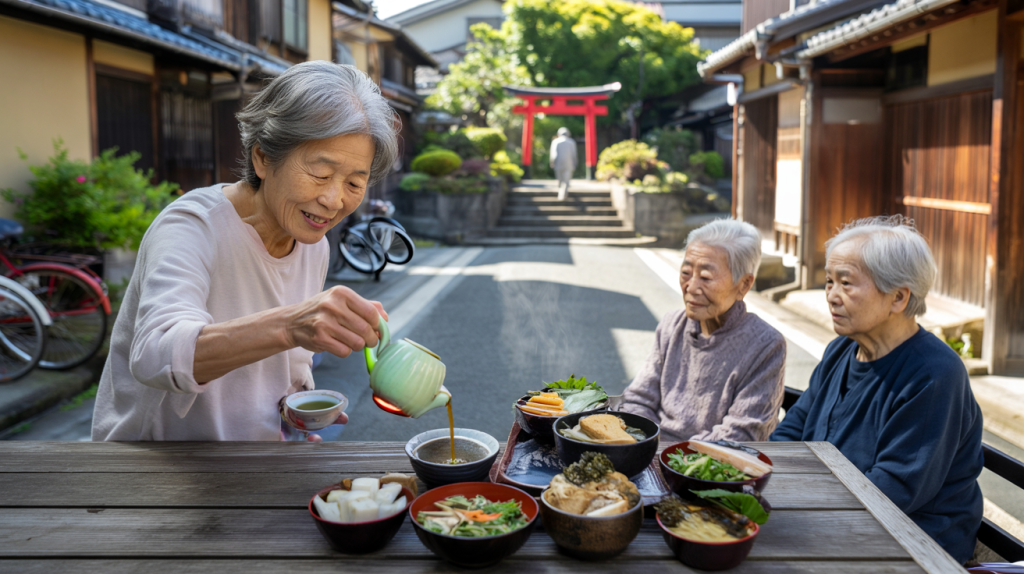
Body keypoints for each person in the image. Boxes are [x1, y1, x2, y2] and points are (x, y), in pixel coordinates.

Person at [92, 62, 400, 441]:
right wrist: (291, 325)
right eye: (320, 174)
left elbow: (278, 369)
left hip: (253, 467)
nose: (333, 199)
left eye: (355, 182)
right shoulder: (193, 225)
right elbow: (155, 354)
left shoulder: (312, 243)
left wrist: (293, 415)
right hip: (159, 473)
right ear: (263, 158)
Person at [771, 215, 983, 564]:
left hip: (911, 540)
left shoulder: (933, 375)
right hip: (836, 515)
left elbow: (892, 491)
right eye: (828, 282)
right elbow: (795, 427)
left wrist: (795, 509)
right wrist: (764, 478)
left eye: (846, 283)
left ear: (898, 298)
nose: (831, 296)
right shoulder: (841, 348)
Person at [619, 219, 786, 443]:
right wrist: (644, 444)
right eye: (686, 272)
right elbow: (638, 400)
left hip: (712, 469)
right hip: (653, 452)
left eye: (706, 278)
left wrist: (671, 457)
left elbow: (741, 433)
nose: (691, 287)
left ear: (744, 285)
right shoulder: (671, 325)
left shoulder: (766, 344)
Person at [549, 127, 577, 201]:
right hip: (569, 164)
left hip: (558, 163)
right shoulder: (571, 142)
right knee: (566, 180)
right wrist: (575, 163)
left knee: (560, 180)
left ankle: (561, 194)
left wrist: (552, 162)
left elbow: (553, 154)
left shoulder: (555, 141)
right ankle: (563, 193)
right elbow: (574, 154)